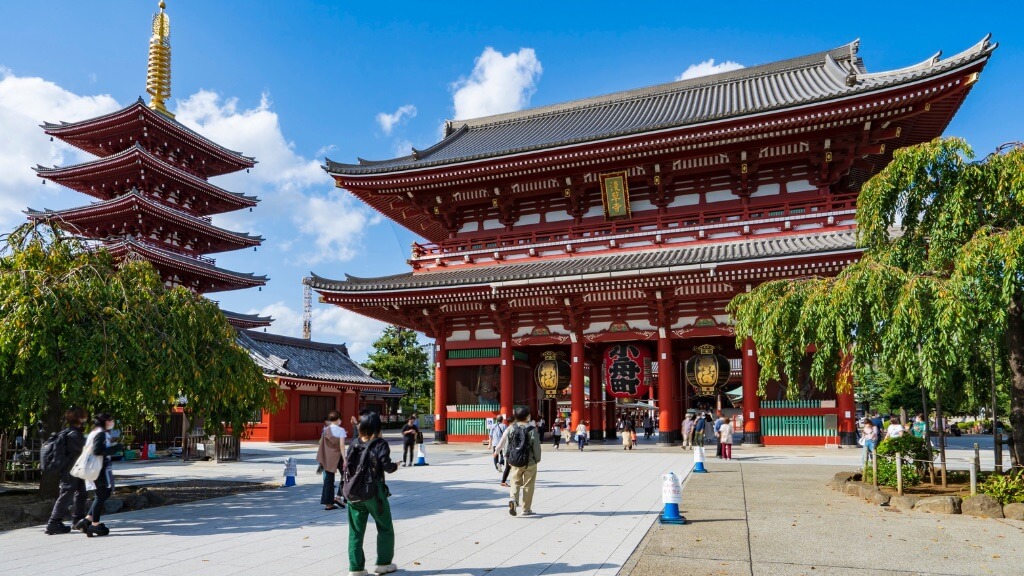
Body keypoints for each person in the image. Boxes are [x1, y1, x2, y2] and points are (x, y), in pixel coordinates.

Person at [345, 411, 399, 576]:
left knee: (355, 531)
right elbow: (387, 466)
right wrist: (396, 465)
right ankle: (383, 564)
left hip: (353, 492)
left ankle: (356, 568)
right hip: (374, 493)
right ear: (377, 428)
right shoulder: (380, 444)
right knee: (385, 527)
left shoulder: (354, 443)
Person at [73, 413, 123, 537]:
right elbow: (98, 450)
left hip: (98, 468)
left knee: (105, 493)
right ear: (105, 422)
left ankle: (87, 520)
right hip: (99, 469)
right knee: (101, 495)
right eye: (110, 420)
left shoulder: (96, 432)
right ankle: (94, 525)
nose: (112, 422)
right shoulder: (100, 433)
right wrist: (116, 448)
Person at [45, 407, 88, 535]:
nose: (85, 419)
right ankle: (53, 523)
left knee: (81, 493)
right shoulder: (74, 434)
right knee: (66, 495)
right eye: (83, 416)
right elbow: (84, 450)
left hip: (75, 469)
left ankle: (78, 519)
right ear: (79, 418)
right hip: (71, 470)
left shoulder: (68, 431)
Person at [505, 407, 542, 517]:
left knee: (515, 482)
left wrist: (508, 459)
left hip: (515, 461)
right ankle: (526, 509)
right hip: (530, 462)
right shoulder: (532, 429)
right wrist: (537, 459)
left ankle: (513, 499)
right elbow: (536, 447)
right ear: (528, 417)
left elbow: (507, 446)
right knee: (528, 485)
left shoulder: (511, 428)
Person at [317, 411, 346, 510]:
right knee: (346, 475)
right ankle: (339, 496)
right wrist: (345, 459)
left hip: (328, 456)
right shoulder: (341, 430)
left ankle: (328, 504)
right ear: (338, 419)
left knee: (328, 480)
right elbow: (342, 446)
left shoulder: (325, 430)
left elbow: (322, 444)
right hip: (339, 456)